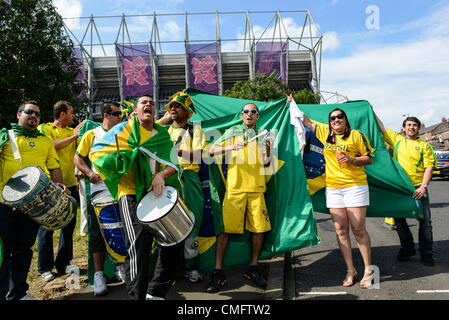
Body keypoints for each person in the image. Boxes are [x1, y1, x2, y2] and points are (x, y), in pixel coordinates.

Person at [89, 95, 184, 300]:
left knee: (174, 241)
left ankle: (156, 293)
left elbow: (173, 164)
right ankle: (136, 297)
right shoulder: (122, 130)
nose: (148, 104)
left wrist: (160, 174)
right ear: (136, 111)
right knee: (138, 249)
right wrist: (125, 158)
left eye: (151, 102)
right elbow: (96, 154)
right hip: (130, 194)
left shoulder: (162, 134)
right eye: (143, 102)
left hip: (156, 193)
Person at [298, 100, 375, 289]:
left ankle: (368, 270)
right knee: (340, 230)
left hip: (355, 186)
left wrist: (352, 159)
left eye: (340, 117)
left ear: (345, 120)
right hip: (333, 188)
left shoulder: (356, 135)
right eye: (332, 118)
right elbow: (306, 122)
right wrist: (291, 103)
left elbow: (369, 158)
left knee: (358, 229)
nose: (336, 120)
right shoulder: (325, 133)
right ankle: (351, 270)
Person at [0, 101, 65, 300]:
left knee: (24, 250)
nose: (34, 116)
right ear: (19, 114)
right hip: (5, 205)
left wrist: (59, 187)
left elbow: (54, 167)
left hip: (32, 206)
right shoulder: (5, 135)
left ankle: (19, 293)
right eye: (29, 112)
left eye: (37, 113)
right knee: (3, 253)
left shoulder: (44, 140)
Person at [206, 102, 273, 293]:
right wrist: (232, 147)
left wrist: (267, 150)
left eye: (253, 112)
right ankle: (218, 272)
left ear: (257, 117)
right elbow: (210, 151)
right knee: (224, 231)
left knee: (259, 230)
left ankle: (253, 268)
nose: (249, 114)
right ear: (241, 115)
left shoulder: (264, 135)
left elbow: (268, 164)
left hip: (257, 189)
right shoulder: (232, 132)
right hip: (235, 189)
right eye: (246, 112)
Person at [74, 101, 123, 296]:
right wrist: (88, 172)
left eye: (121, 113)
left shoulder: (124, 133)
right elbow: (78, 158)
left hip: (122, 190)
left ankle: (122, 267)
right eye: (116, 113)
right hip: (100, 191)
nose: (120, 116)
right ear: (105, 115)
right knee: (98, 233)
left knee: (124, 229)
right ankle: (99, 274)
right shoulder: (92, 134)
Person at [375, 114, 436, 266]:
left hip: (418, 188)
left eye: (414, 125)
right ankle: (408, 248)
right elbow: (381, 127)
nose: (411, 127)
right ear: (403, 128)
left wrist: (423, 186)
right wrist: (370, 108)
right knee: (399, 220)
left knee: (425, 221)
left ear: (418, 128)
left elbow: (429, 168)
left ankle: (426, 252)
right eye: (408, 125)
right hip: (399, 188)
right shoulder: (397, 140)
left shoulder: (425, 146)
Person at [158, 92, 206, 283]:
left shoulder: (195, 129)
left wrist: (179, 152)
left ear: (187, 111)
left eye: (177, 106)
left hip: (189, 177)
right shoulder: (164, 131)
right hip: (169, 180)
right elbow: (147, 127)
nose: (172, 109)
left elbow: (200, 155)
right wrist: (165, 118)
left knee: (191, 221)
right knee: (170, 224)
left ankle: (191, 267)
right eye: (171, 106)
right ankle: (172, 269)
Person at [37, 100, 84, 282]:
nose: (74, 116)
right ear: (62, 114)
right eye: (71, 113)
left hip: (70, 184)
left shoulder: (73, 132)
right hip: (49, 186)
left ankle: (63, 263)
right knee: (46, 227)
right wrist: (73, 136)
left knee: (68, 226)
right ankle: (45, 267)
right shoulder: (45, 128)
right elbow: (52, 146)